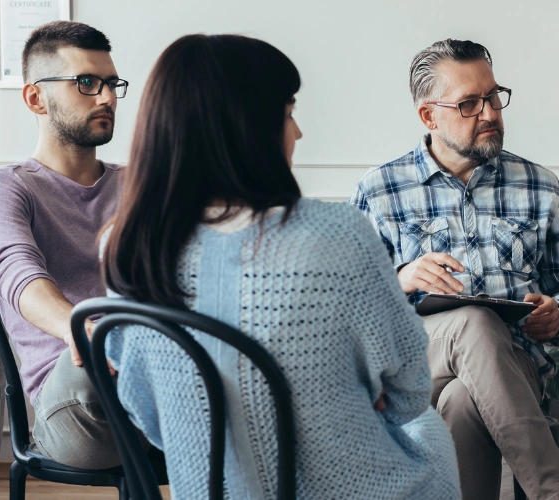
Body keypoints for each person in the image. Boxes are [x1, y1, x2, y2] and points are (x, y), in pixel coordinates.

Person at [100, 34, 460, 499]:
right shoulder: (337, 235)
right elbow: (409, 391)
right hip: (352, 490)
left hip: (209, 490)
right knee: (430, 428)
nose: (298, 132)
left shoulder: (125, 245)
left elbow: (147, 411)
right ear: (246, 128)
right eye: (288, 113)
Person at [349, 38, 559, 500]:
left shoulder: (539, 186)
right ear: (429, 116)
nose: (489, 112)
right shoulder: (379, 190)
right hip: (409, 369)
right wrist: (400, 278)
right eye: (469, 103)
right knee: (471, 320)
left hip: (514, 366)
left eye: (493, 96)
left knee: (464, 400)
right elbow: (345, 314)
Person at [0, 20, 128, 470]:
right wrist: (79, 328)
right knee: (104, 359)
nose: (107, 98)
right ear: (36, 97)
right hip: (73, 404)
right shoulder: (6, 188)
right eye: (86, 83)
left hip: (148, 368)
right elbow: (19, 278)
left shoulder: (140, 184)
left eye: (112, 84)